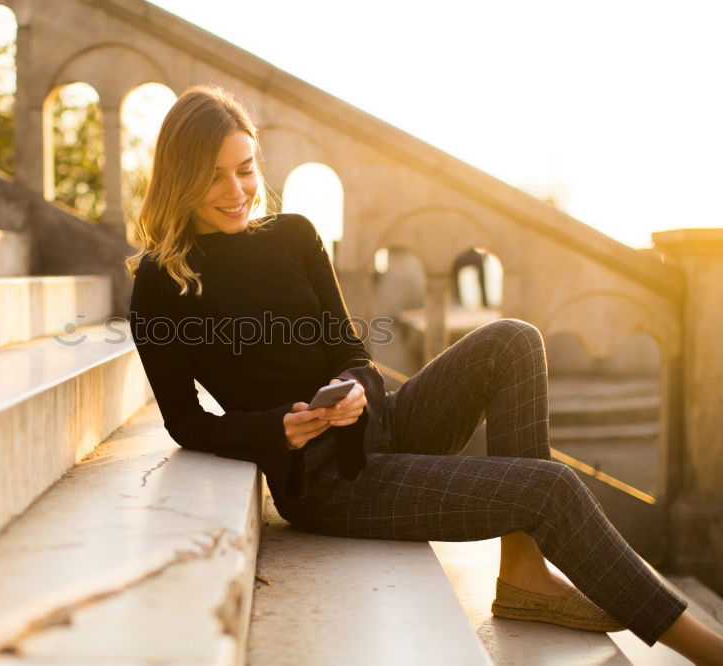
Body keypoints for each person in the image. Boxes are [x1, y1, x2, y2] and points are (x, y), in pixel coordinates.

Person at [124, 84, 723, 665]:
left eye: (246, 169)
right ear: (180, 177)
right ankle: (705, 650)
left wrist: (359, 387)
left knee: (512, 340)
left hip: (378, 425)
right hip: (325, 481)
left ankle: (523, 570)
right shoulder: (160, 282)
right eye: (214, 177)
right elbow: (185, 421)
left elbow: (349, 351)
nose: (237, 190)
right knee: (551, 488)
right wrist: (275, 429)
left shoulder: (294, 235)